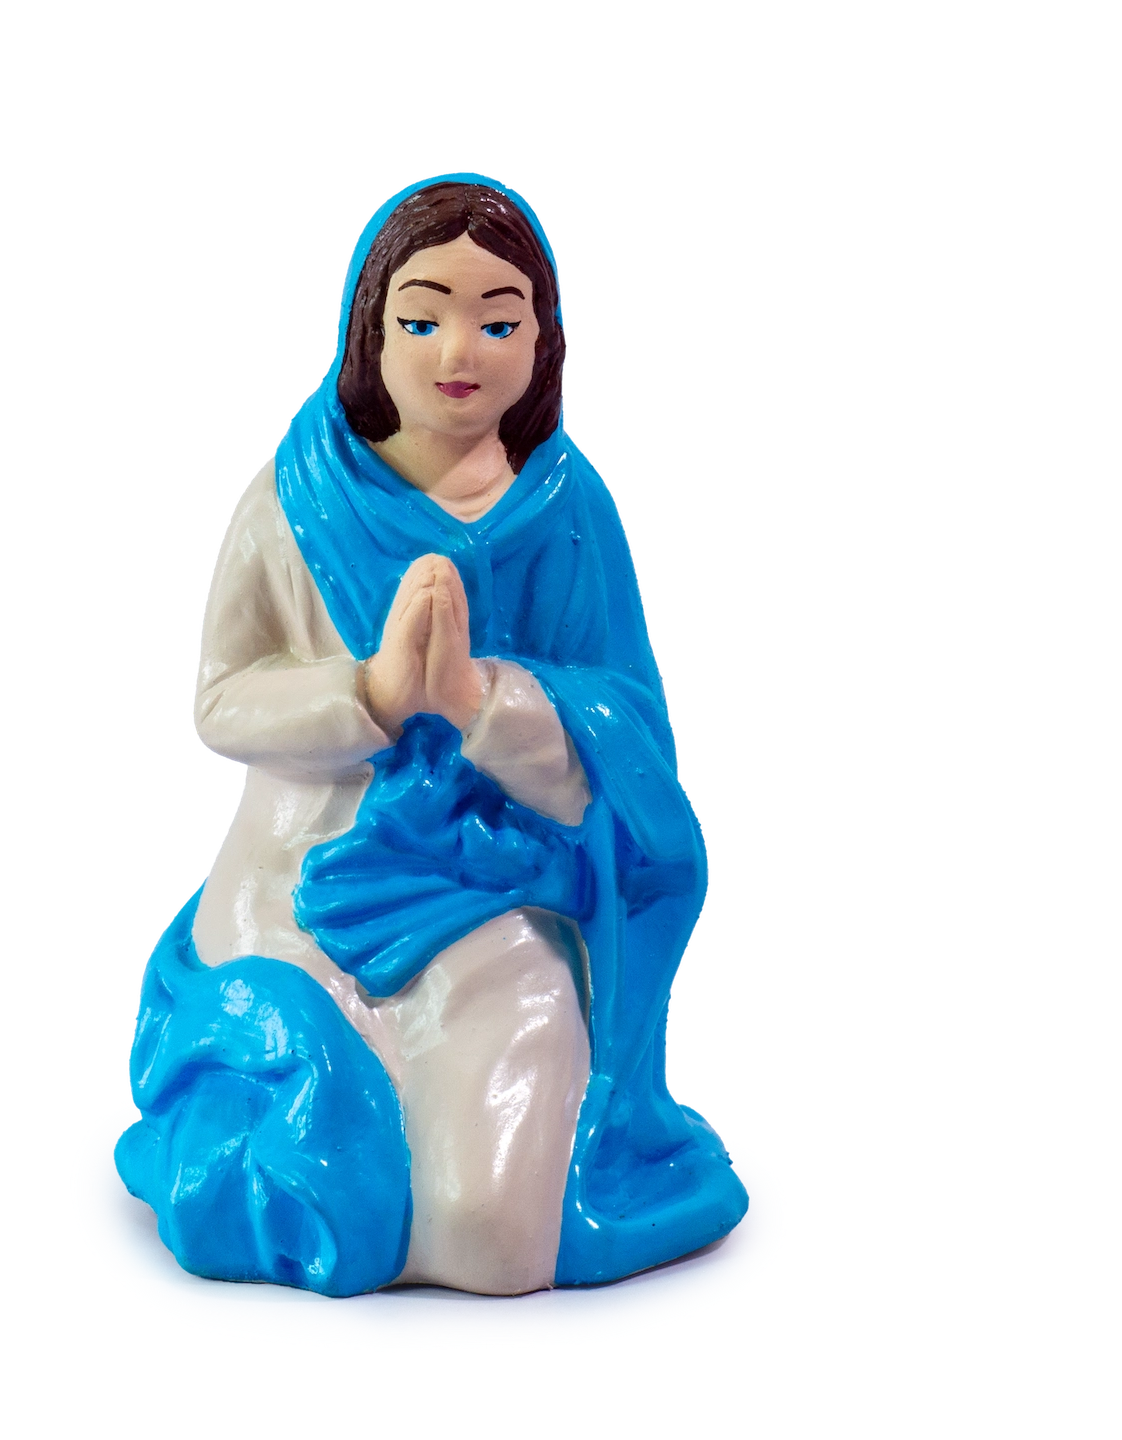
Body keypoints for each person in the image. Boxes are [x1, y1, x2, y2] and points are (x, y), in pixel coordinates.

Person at [117, 173, 747, 1298]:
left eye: (499, 322)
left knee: (496, 1240)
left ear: (543, 341)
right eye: (422, 319)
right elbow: (219, 700)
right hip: (301, 878)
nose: (460, 351)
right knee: (314, 1185)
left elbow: (633, 736)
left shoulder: (570, 509)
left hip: (500, 882)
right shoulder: (292, 496)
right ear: (369, 332)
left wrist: (481, 701)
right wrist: (368, 693)